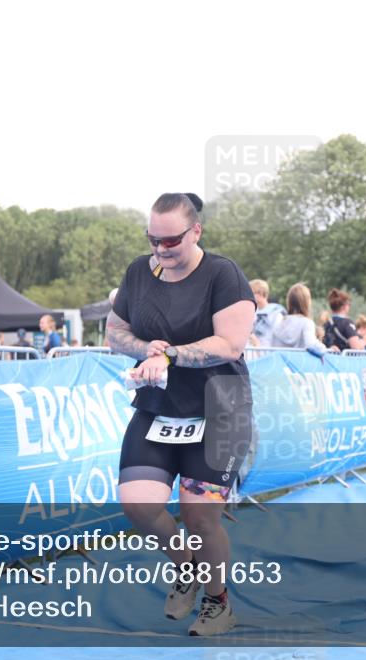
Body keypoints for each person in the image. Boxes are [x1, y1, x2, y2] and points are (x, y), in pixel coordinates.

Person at [106, 192, 255, 637]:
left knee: (200, 517)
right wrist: (142, 348)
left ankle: (218, 602)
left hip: (221, 410)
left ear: (196, 231)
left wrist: (169, 355)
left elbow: (230, 344)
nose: (160, 250)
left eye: (171, 241)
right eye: (153, 240)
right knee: (138, 504)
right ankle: (185, 563)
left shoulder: (223, 274)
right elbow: (116, 332)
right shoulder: (140, 271)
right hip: (159, 409)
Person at [271, 283, 330, 355]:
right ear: (306, 302)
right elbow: (311, 344)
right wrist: (326, 350)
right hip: (298, 364)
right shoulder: (306, 322)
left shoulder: (279, 321)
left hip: (281, 363)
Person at [248, 279, 286, 347]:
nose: (249, 296)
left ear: (261, 294)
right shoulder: (252, 313)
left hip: (268, 352)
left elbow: (278, 338)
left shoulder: (276, 314)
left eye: (252, 293)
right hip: (252, 354)